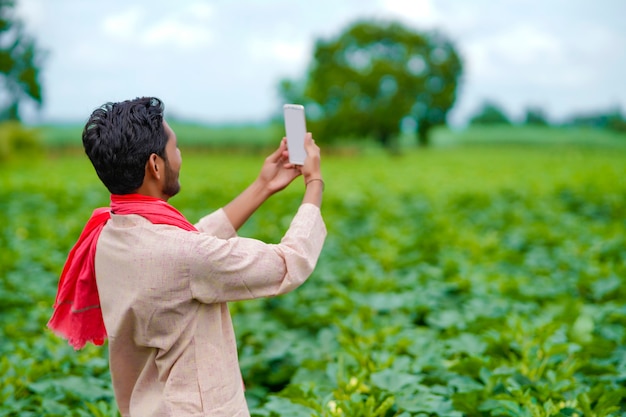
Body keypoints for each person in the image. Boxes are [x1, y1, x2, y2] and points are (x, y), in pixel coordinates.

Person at [47, 97, 326, 416]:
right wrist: (314, 182)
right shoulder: (182, 254)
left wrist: (263, 185)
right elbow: (289, 263)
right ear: (155, 164)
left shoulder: (109, 233)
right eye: (175, 148)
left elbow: (186, 247)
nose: (179, 157)